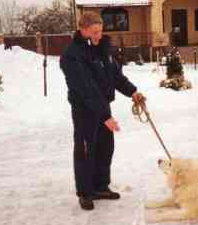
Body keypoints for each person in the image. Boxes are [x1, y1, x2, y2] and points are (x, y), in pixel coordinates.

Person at [60, 11, 145, 211]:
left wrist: (132, 92)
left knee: (105, 148)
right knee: (86, 150)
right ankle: (85, 192)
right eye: (95, 32)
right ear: (83, 29)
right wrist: (105, 116)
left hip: (102, 106)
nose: (99, 35)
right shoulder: (72, 55)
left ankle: (100, 186)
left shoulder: (102, 50)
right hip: (84, 110)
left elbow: (115, 76)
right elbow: (86, 89)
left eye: (101, 31)